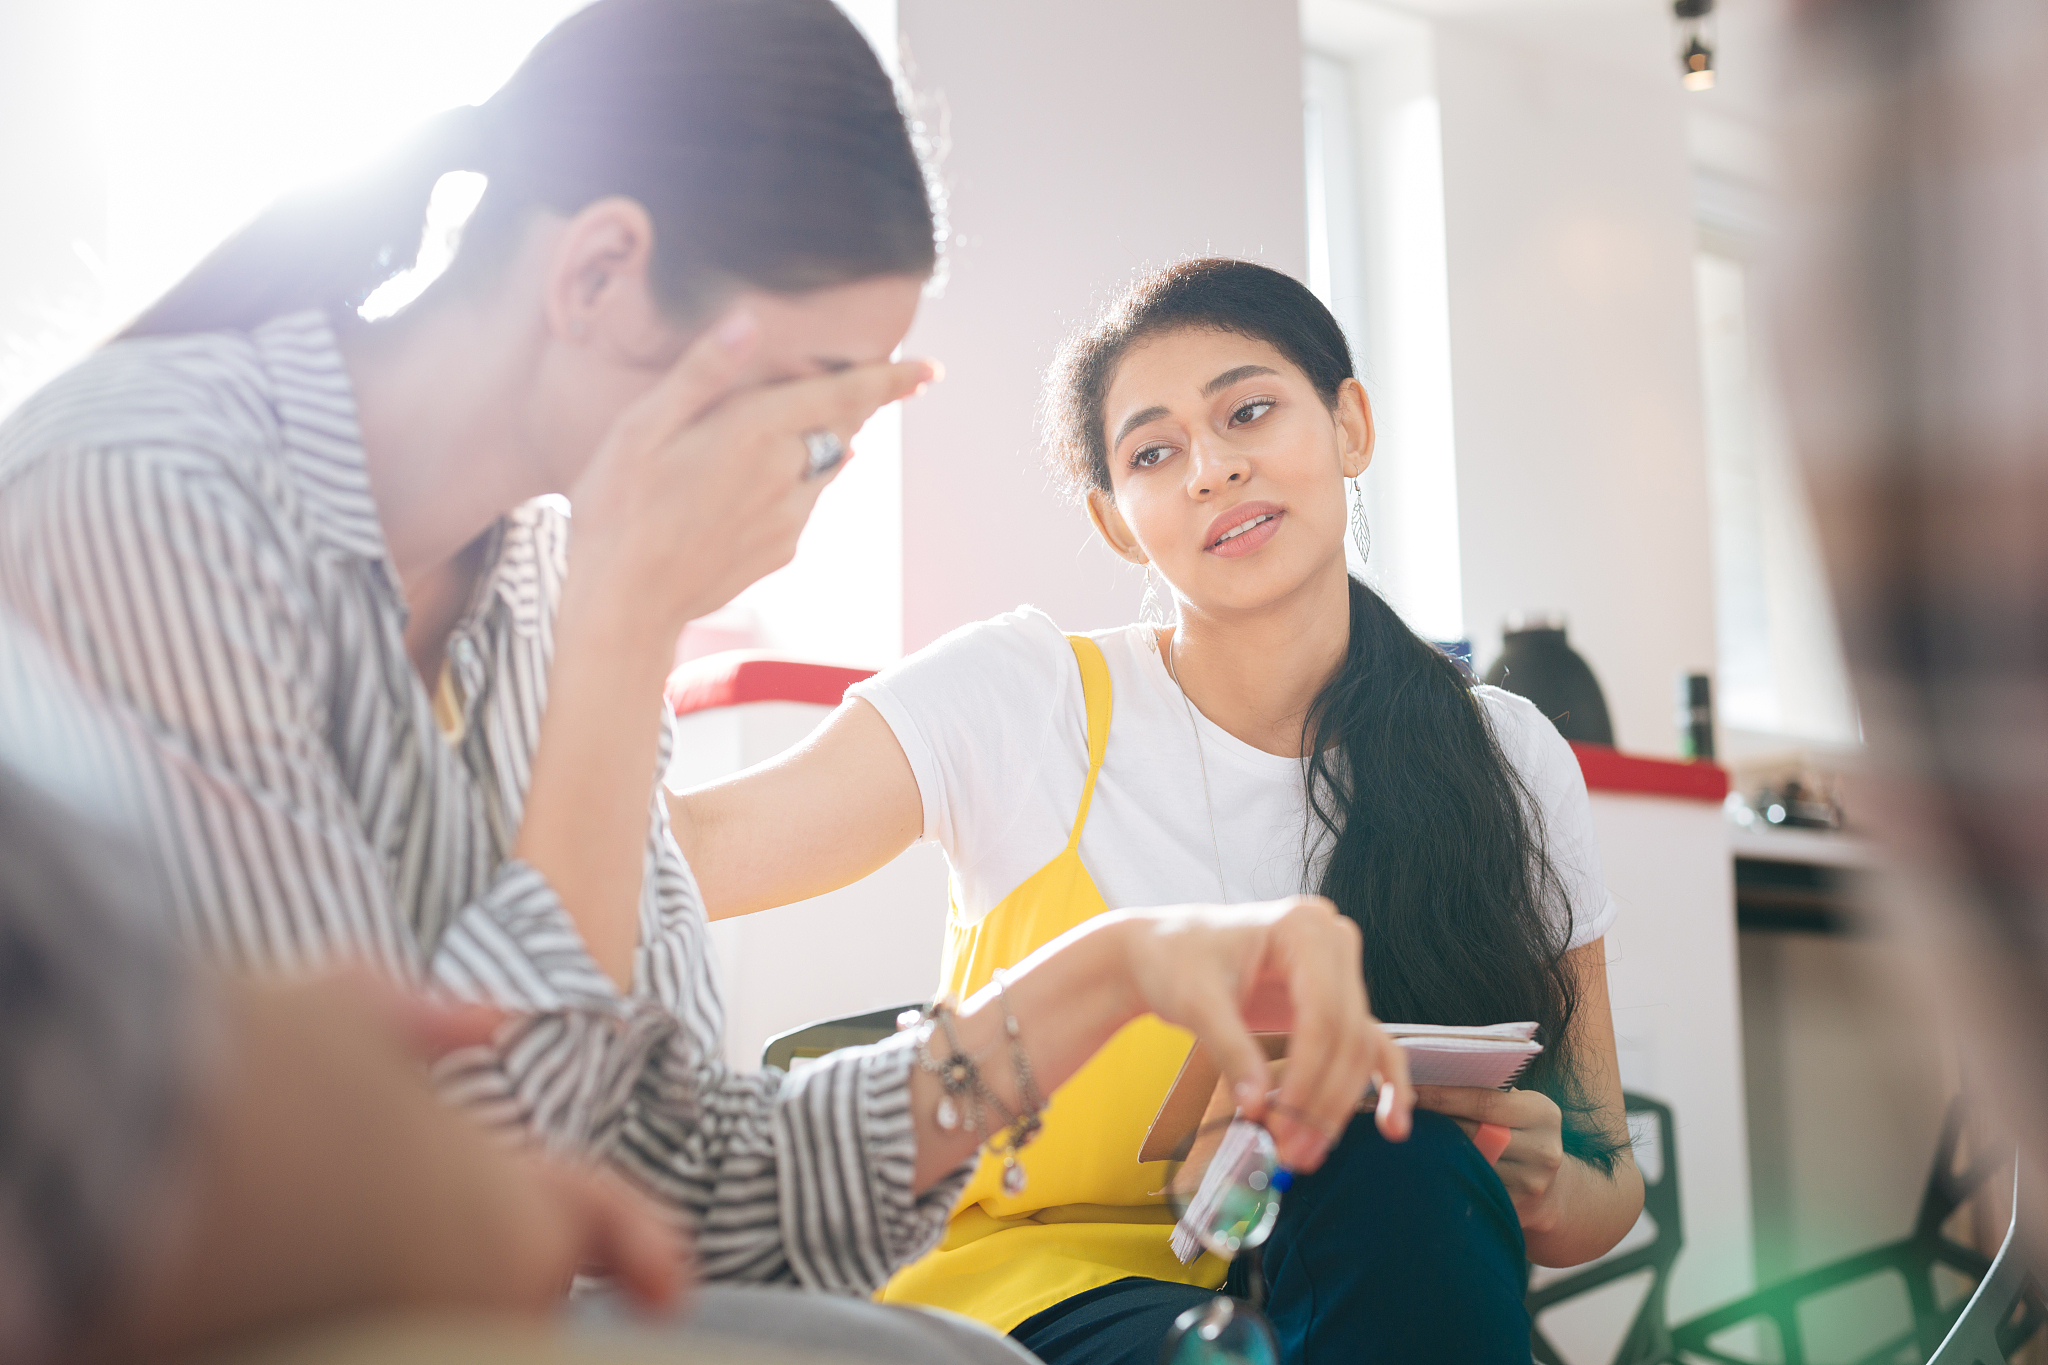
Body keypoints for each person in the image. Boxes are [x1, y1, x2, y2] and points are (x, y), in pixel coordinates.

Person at [0, 0, 1410, 1330]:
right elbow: (422, 1202)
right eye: (806, 401)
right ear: (600, 274)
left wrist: (1116, 970)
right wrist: (630, 623)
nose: (804, 476)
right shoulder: (150, 498)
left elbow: (683, 1159)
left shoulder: (547, 576)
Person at [674, 258, 1647, 1363]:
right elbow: (701, 848)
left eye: (1247, 410)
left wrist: (1539, 1183)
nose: (1212, 468)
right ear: (1115, 521)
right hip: (1044, 1297)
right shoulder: (1024, 698)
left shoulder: (1500, 753)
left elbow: (1605, 1179)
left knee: (1394, 1154)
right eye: (1153, 451)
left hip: (1362, 1278)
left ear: (1349, 424)